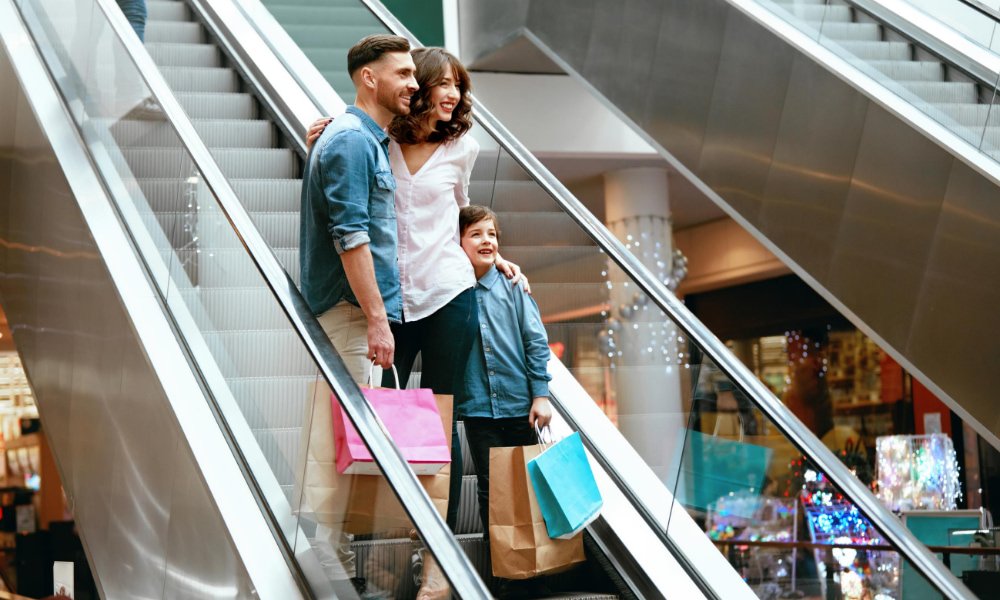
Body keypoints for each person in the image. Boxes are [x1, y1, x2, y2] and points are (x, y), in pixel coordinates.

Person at [298, 33, 417, 598]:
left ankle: (333, 550)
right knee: (340, 437)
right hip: (349, 313)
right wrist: (376, 318)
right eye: (402, 73)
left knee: (348, 436)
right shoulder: (350, 140)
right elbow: (351, 236)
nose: (413, 83)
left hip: (355, 311)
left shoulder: (358, 140)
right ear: (369, 78)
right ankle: (324, 557)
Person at [456, 205, 553, 597]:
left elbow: (535, 341)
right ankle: (503, 572)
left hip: (519, 404)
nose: (487, 241)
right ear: (458, 242)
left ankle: (535, 567)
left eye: (492, 235)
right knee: (490, 488)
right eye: (477, 234)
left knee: (526, 486)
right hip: (478, 407)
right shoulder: (452, 287)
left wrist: (541, 394)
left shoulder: (514, 285)